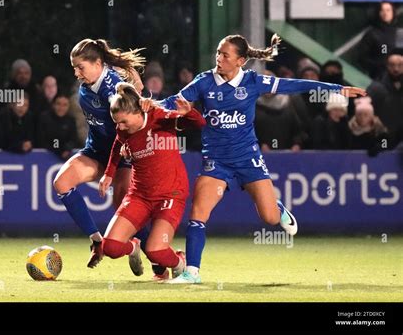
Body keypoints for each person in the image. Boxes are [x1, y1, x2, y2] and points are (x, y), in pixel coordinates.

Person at [152, 33, 366, 283]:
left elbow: (296, 85)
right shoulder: (204, 82)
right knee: (198, 212)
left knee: (270, 218)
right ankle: (192, 272)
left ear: (240, 61)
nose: (218, 58)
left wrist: (336, 88)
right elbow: (171, 102)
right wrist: (144, 105)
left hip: (248, 159)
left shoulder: (253, 81)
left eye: (225, 55)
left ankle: (278, 208)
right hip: (216, 161)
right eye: (218, 53)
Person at [52, 38, 155, 274]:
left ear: (97, 63)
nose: (77, 73)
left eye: (81, 67)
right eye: (74, 68)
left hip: (122, 156)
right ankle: (97, 240)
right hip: (96, 151)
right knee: (62, 183)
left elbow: (135, 115)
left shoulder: (114, 90)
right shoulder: (90, 83)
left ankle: (159, 261)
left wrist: (138, 91)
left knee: (123, 206)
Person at [98, 82, 206, 280]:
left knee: (156, 251)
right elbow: (117, 145)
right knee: (110, 247)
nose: (119, 127)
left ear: (137, 113)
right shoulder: (124, 129)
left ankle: (179, 261)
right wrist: (108, 174)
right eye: (116, 123)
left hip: (170, 194)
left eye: (122, 122)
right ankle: (133, 247)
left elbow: (200, 124)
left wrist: (188, 112)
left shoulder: (160, 117)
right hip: (140, 195)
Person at [359, 2, 398, 80]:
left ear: (393, 13)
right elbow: (362, 58)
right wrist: (379, 66)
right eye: (382, 10)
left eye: (388, 10)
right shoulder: (371, 34)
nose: (385, 13)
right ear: (378, 13)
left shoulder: (399, 33)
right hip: (379, 78)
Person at [36, 94, 80, 160]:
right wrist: (59, 151)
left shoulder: (71, 120)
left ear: (68, 107)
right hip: (45, 156)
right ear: (53, 105)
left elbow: (73, 139)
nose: (61, 108)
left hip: (65, 155)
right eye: (58, 104)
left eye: (65, 105)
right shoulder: (44, 118)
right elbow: (41, 140)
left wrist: (67, 149)